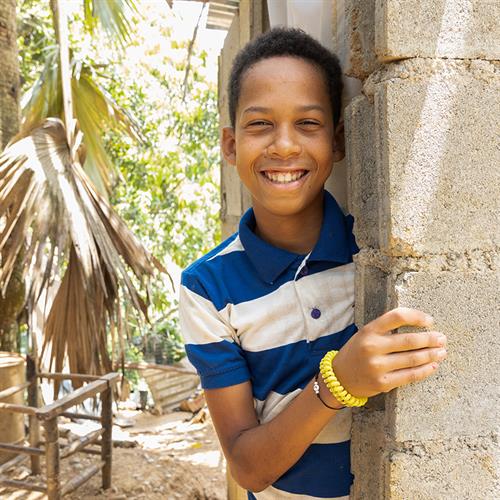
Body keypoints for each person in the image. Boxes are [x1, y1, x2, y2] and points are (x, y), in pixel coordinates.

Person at [179, 27, 447, 499]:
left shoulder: (374, 253)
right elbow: (247, 467)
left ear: (338, 141)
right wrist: (338, 383)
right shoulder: (207, 288)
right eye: (260, 124)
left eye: (308, 124)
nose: (284, 146)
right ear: (229, 144)